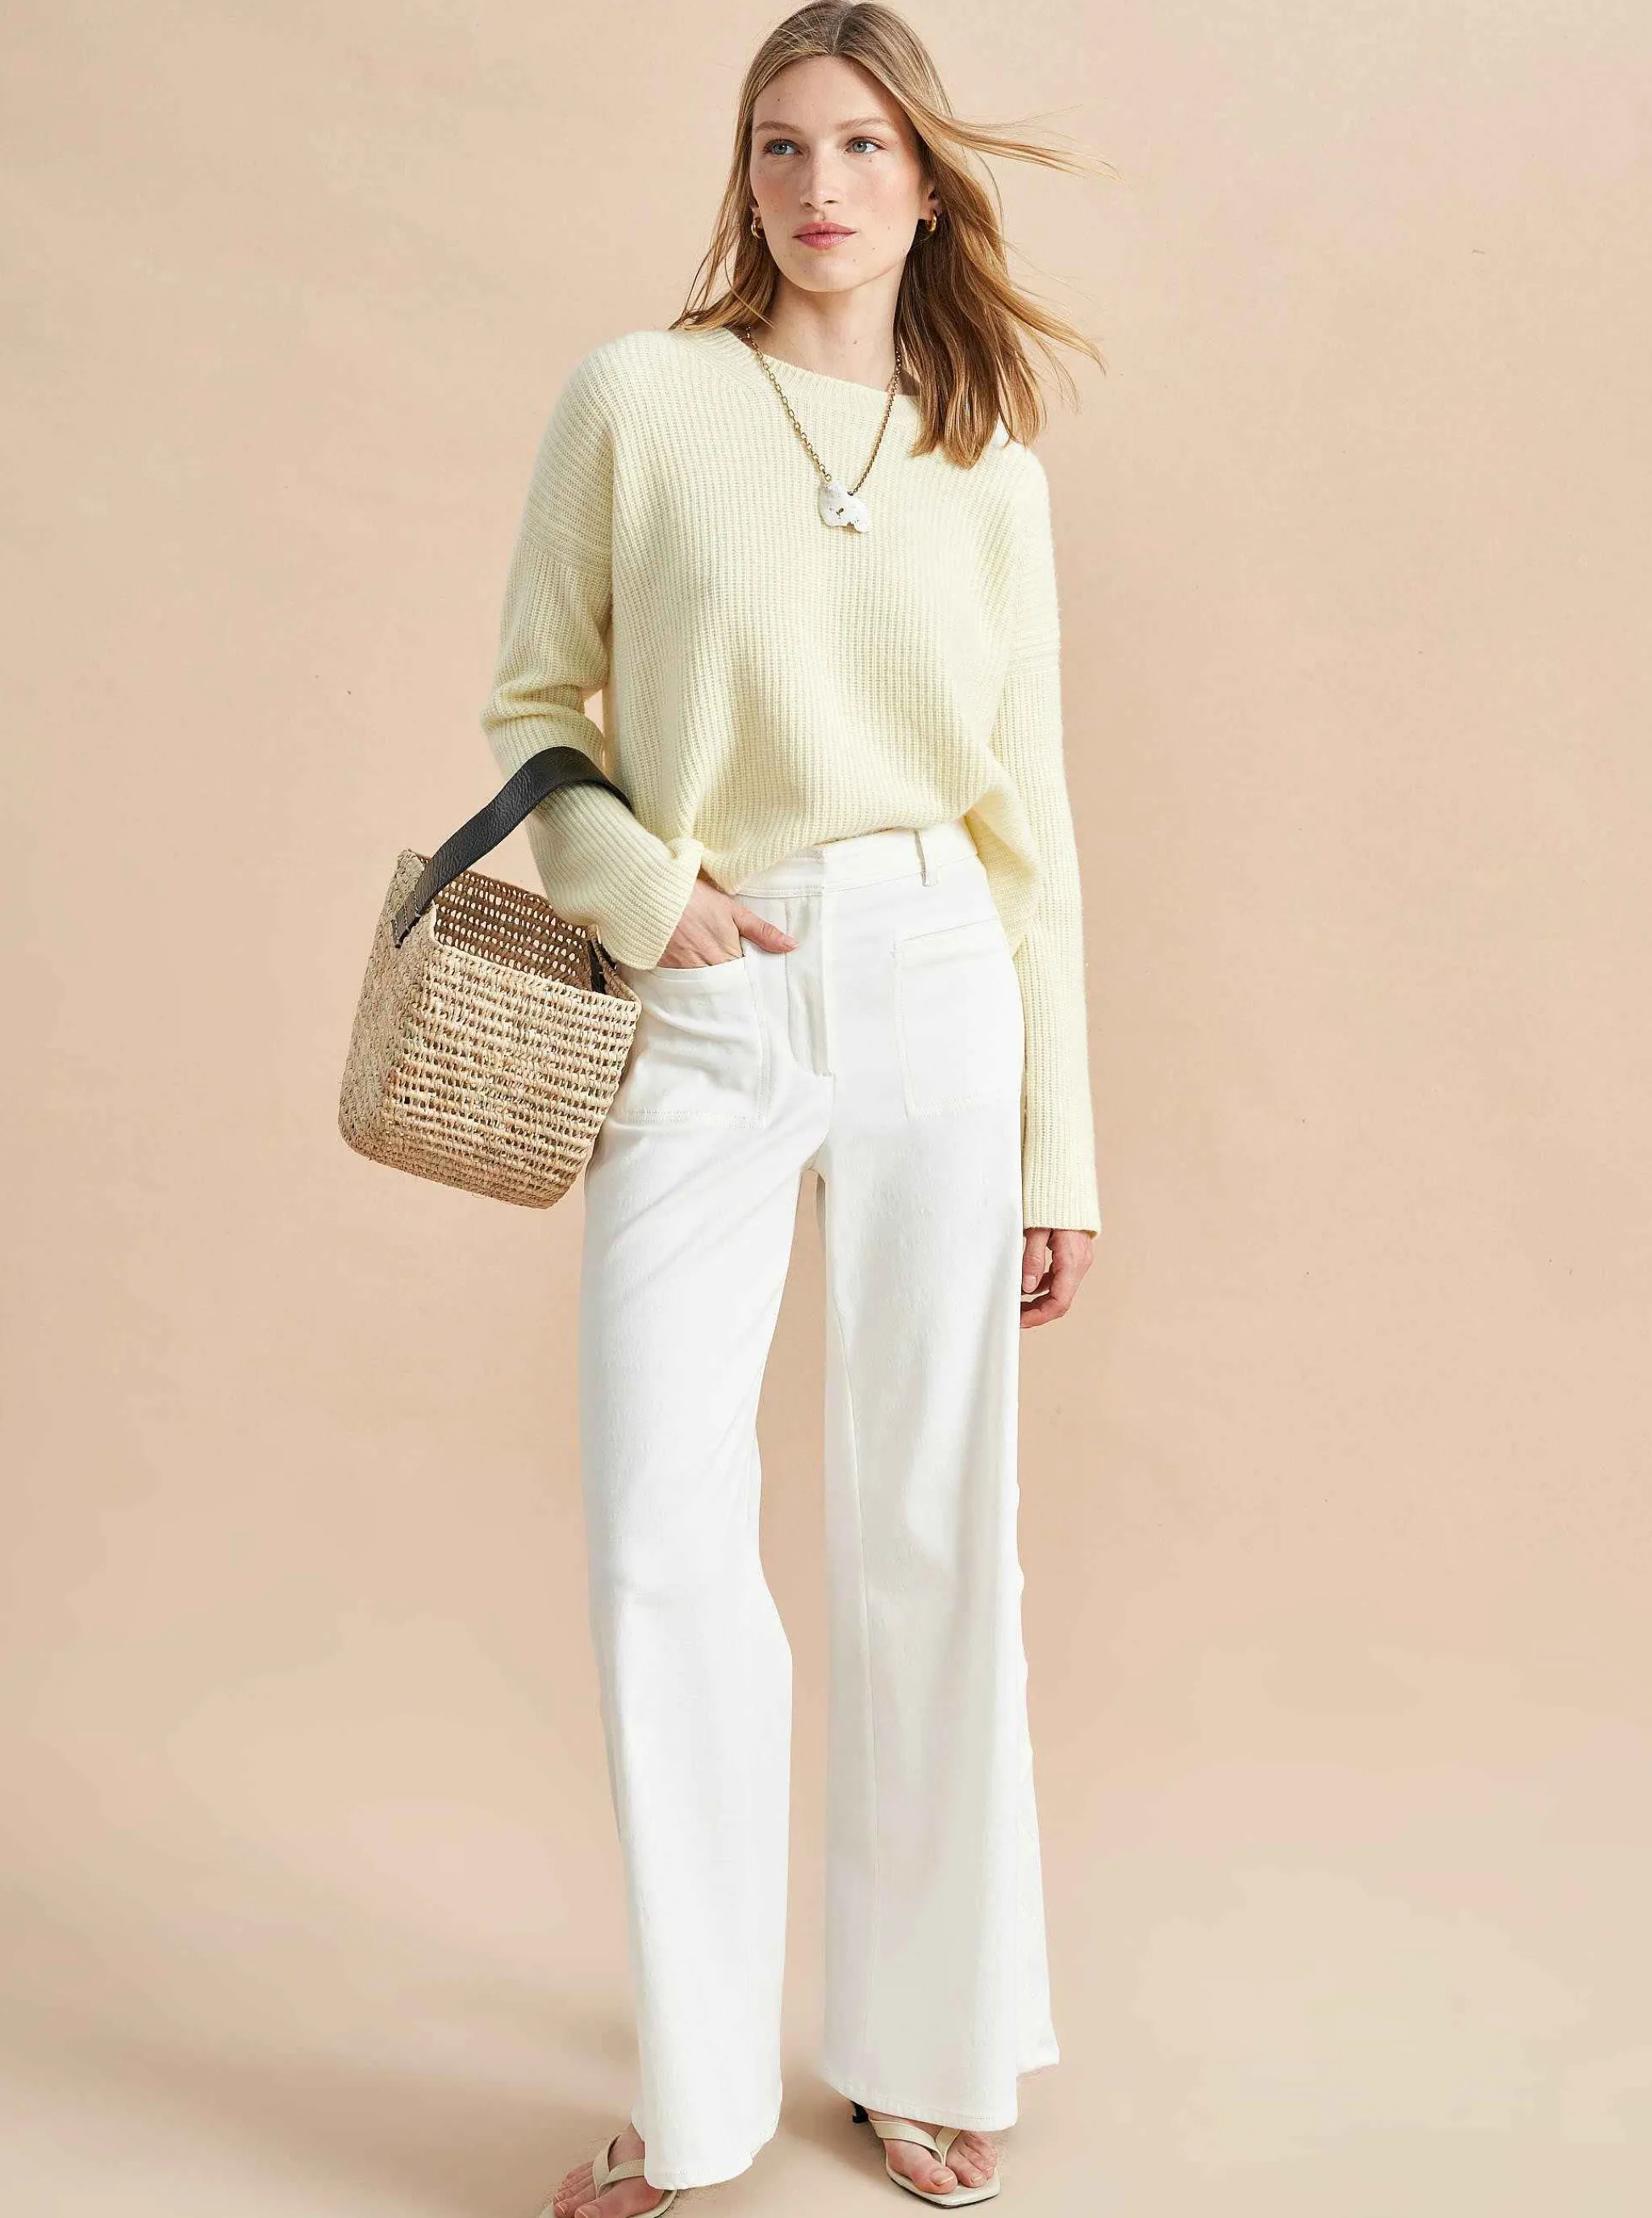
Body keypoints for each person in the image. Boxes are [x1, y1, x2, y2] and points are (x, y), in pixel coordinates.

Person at [478, 6, 1106, 2210]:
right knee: (659, 1522)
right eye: (777, 146)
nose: (818, 187)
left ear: (928, 183)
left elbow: (1032, 820)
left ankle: (924, 2047)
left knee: (936, 1518)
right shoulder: (636, 403)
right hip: (711, 981)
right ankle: (702, 2096)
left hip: (938, 968)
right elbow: (534, 709)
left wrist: (1060, 1146)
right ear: (741, 179)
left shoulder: (988, 468)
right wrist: (645, 897)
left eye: (860, 147)